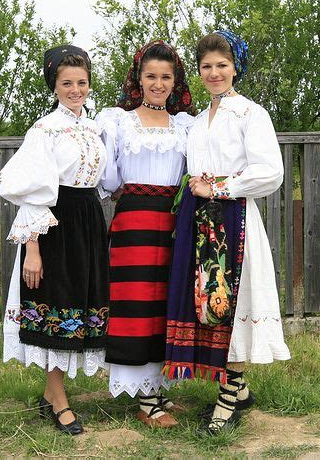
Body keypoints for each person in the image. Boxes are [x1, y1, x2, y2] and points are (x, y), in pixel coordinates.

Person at [163, 30, 291, 434]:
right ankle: (239, 389)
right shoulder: (199, 121)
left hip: (232, 219)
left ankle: (227, 399)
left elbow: (270, 172)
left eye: (222, 65)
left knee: (229, 304)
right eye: (206, 66)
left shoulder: (251, 114)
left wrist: (219, 186)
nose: (214, 73)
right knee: (207, 305)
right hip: (199, 220)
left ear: (236, 67)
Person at [0, 45, 109, 435]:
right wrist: (32, 248)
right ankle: (58, 398)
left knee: (79, 306)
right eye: (66, 83)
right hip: (57, 225)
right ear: (54, 86)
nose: (75, 90)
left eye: (81, 82)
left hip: (89, 222)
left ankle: (51, 393)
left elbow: (102, 181)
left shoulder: (94, 128)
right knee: (56, 306)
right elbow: (30, 191)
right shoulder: (43, 130)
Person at [97, 40, 194, 428]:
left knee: (167, 302)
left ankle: (159, 387)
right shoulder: (118, 122)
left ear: (175, 81)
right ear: (138, 78)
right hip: (134, 218)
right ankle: (144, 397)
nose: (158, 83)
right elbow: (109, 179)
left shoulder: (184, 125)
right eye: (151, 75)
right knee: (136, 302)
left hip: (173, 219)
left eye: (166, 77)